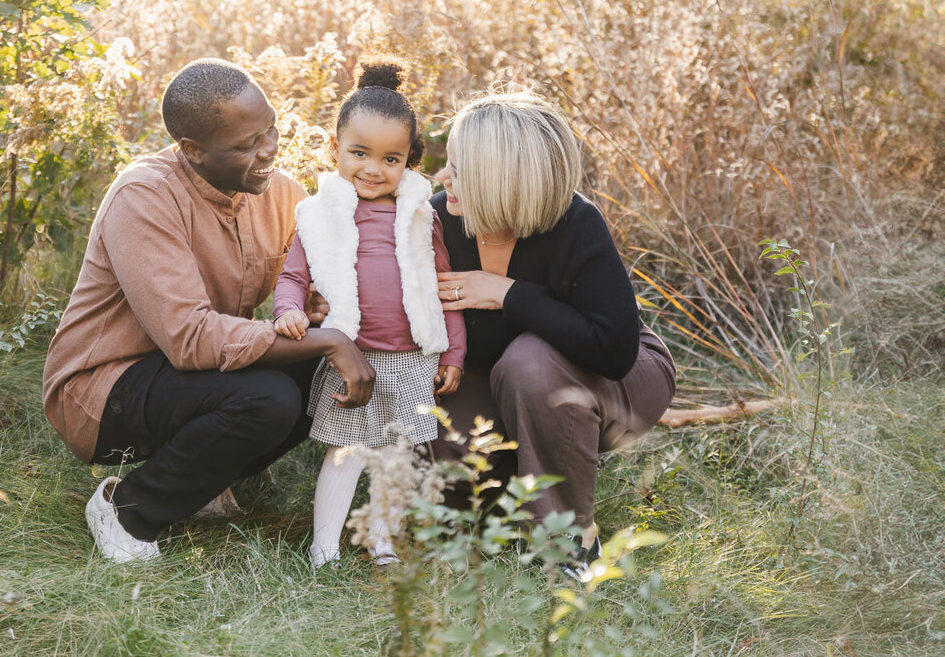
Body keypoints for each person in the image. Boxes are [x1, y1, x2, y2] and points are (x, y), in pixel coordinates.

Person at [42, 58, 375, 564]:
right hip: (105, 387)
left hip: (187, 375)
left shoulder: (280, 192)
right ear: (192, 151)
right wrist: (330, 340)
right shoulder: (144, 195)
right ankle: (128, 508)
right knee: (270, 399)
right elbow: (190, 338)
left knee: (315, 373)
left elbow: (318, 286)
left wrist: (325, 308)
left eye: (271, 130)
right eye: (246, 145)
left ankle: (199, 484)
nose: (268, 151)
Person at [429, 90, 675, 578]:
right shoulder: (439, 220)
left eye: (457, 168)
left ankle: (571, 537)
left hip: (618, 380)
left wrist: (508, 293)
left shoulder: (575, 223)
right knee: (434, 425)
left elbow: (612, 348)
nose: (441, 177)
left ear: (500, 178)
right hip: (500, 380)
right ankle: (505, 506)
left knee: (531, 362)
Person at [271, 60, 466, 567]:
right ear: (335, 149)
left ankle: (382, 539)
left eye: (391, 158)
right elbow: (293, 276)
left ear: (409, 161)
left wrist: (455, 352)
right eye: (358, 153)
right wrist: (289, 310)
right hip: (350, 355)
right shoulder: (319, 215)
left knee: (395, 457)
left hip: (413, 358)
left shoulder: (421, 216)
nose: (373, 169)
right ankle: (324, 548)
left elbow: (443, 290)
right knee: (346, 454)